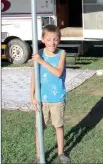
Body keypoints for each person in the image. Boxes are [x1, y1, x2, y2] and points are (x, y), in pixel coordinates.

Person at [31, 24, 70, 164]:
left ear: (59, 39)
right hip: (42, 99)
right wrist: (32, 96)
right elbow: (34, 76)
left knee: (58, 125)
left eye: (55, 39)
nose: (52, 42)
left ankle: (60, 153)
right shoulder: (39, 53)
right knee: (39, 127)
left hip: (57, 98)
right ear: (43, 40)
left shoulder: (62, 53)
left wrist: (41, 61)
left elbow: (58, 72)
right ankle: (39, 155)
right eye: (48, 39)